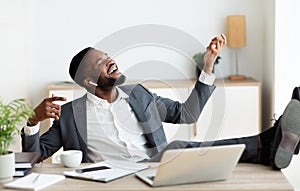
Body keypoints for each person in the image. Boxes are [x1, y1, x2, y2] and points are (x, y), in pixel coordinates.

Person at [22, 34, 300, 170]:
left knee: (181, 150)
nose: (109, 60)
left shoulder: (138, 95)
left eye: (107, 55)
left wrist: (207, 66)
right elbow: (35, 157)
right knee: (182, 149)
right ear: (87, 81)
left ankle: (270, 142)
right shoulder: (70, 115)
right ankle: (269, 143)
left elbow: (186, 114)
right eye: (99, 62)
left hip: (155, 167)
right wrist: (33, 122)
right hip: (107, 180)